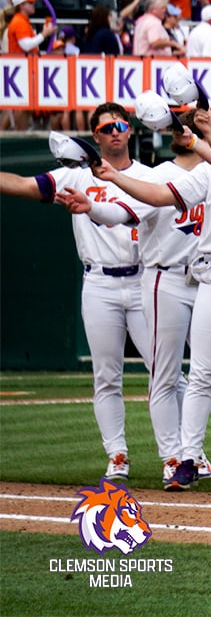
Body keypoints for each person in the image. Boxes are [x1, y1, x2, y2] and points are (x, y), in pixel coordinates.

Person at [58, 110, 211, 489]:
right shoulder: (159, 175)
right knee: (165, 372)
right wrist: (94, 208)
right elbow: (124, 213)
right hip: (164, 276)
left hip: (206, 277)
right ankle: (174, 457)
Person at [0, 104, 157, 481]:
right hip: (99, 280)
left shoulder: (150, 176)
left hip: (143, 279)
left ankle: (187, 452)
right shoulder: (76, 176)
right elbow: (24, 185)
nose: (115, 132)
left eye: (120, 125)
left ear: (131, 130)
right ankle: (117, 454)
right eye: (106, 128)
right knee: (106, 375)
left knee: (165, 371)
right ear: (95, 137)